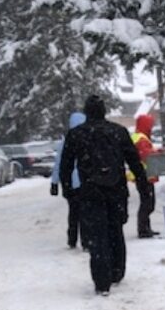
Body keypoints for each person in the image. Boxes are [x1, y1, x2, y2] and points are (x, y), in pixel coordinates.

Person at [60, 95, 150, 296]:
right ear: (104, 111)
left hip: (90, 191)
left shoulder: (76, 134)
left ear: (86, 113)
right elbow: (134, 161)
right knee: (115, 229)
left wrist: (68, 191)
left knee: (97, 235)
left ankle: (101, 280)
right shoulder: (118, 132)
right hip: (116, 189)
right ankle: (117, 270)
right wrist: (142, 185)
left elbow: (66, 164)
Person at [50, 111, 87, 249]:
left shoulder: (65, 142)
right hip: (86, 182)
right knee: (86, 213)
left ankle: (72, 238)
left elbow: (58, 164)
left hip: (70, 183)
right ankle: (86, 240)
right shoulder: (89, 139)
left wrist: (55, 182)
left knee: (73, 212)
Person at [127, 113, 162, 238]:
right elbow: (146, 155)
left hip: (142, 174)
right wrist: (158, 154)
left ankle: (146, 228)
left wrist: (156, 151)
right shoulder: (141, 138)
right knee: (148, 203)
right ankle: (143, 229)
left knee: (146, 202)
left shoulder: (137, 136)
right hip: (144, 174)